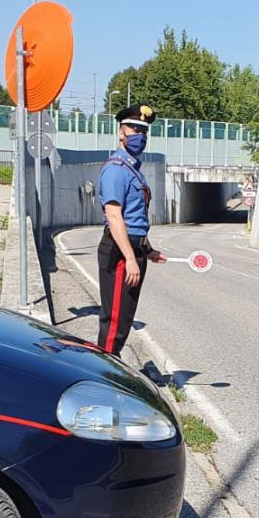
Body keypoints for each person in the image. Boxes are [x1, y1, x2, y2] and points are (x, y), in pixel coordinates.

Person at [96, 103, 166, 355]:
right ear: (120, 132)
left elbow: (135, 218)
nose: (139, 135)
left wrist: (146, 249)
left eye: (143, 131)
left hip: (132, 251)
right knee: (114, 322)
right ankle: (103, 376)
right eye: (134, 129)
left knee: (124, 320)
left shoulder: (132, 168)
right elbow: (114, 217)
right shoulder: (116, 169)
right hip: (119, 254)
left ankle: (110, 371)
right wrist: (129, 257)